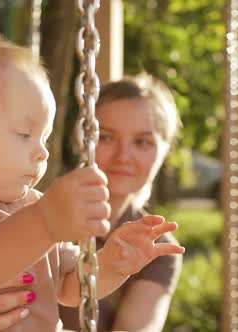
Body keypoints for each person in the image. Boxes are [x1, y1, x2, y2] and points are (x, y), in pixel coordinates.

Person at [0, 31, 184, 332]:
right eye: (24, 134)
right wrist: (43, 223)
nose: (42, 151)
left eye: (44, 138)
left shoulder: (32, 205)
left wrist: (111, 262)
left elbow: (71, 288)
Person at [59, 74, 183, 331]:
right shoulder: (41, 216)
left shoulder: (158, 249)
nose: (123, 156)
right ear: (81, 141)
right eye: (105, 137)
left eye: (142, 142)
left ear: (164, 151)